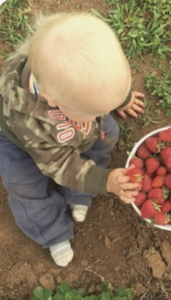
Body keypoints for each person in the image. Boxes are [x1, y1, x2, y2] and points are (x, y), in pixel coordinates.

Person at [0, 12, 145, 267]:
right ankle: (51, 230)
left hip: (68, 128)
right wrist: (105, 181)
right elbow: (60, 164)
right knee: (25, 187)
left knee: (107, 133)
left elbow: (103, 81)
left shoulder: (67, 82)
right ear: (52, 100)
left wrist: (120, 97)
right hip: (23, 144)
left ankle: (78, 191)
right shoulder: (30, 122)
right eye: (94, 111)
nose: (101, 114)